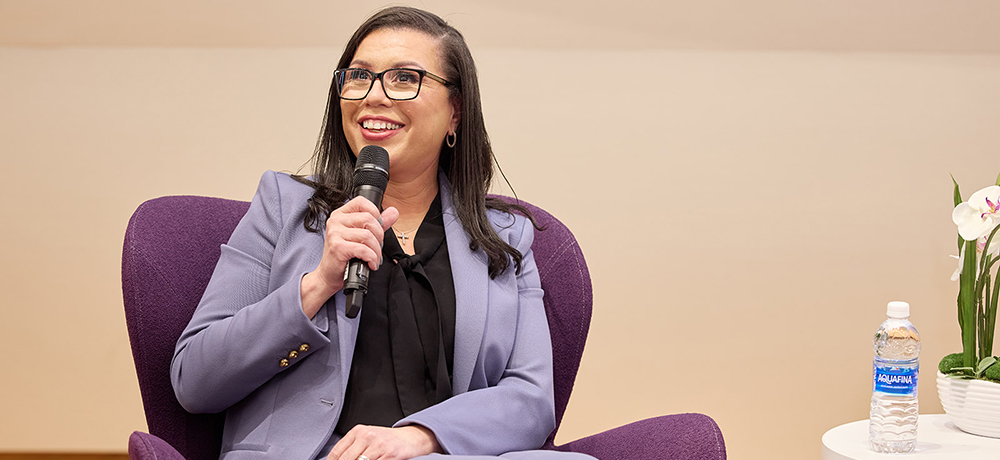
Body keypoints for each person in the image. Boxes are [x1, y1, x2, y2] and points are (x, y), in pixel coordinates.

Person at [170, 6, 596, 460]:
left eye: (404, 78)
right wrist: (316, 285)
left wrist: (420, 436)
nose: (374, 96)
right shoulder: (282, 208)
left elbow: (531, 401)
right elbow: (194, 383)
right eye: (358, 76)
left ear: (456, 111)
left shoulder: (507, 238)